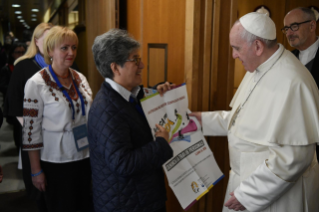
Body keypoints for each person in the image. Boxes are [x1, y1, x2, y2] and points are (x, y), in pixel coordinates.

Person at [186, 12, 319, 212]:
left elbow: (295, 157)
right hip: (246, 184)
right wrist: (202, 121)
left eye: (237, 48)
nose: (234, 55)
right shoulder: (259, 67)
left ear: (257, 46)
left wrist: (248, 194)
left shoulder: (293, 81)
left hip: (272, 195)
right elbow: (242, 121)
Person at [88, 28, 173, 212]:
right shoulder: (107, 109)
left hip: (137, 198)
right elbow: (123, 163)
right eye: (135, 60)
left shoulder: (126, 96)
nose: (142, 65)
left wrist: (156, 92)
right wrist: (161, 143)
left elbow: (131, 112)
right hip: (126, 204)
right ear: (115, 67)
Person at [22, 25, 93, 212]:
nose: (71, 52)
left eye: (74, 47)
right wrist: (36, 170)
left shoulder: (80, 78)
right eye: (64, 48)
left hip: (86, 157)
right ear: (50, 51)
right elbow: (30, 132)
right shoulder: (36, 83)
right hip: (56, 162)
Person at [3, 22, 53, 212]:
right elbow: (15, 106)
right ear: (36, 41)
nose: (50, 43)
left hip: (59, 140)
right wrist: (37, 130)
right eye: (46, 38)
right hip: (35, 137)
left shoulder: (64, 63)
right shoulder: (23, 66)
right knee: (41, 192)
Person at [283, 7, 319, 162]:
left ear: (312, 26)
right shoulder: (286, 60)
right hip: (293, 144)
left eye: (294, 26)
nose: (289, 33)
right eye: (286, 28)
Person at [0, 42, 27, 151]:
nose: (20, 55)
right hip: (14, 102)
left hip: (26, 101)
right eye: (17, 52)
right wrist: (15, 88)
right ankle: (19, 147)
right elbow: (2, 86)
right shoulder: (6, 69)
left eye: (22, 52)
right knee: (18, 127)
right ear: (12, 54)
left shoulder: (27, 66)